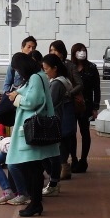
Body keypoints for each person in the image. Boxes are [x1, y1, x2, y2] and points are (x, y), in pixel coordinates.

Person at [6, 52, 59, 217]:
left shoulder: (35, 77)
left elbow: (32, 101)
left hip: (31, 129)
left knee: (31, 167)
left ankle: (35, 203)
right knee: (33, 167)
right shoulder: (38, 76)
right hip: (33, 128)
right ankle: (35, 202)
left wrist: (16, 97)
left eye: (17, 69)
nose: (17, 73)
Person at [41, 54, 76, 196]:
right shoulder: (63, 80)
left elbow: (49, 102)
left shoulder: (56, 83)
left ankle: (53, 181)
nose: (45, 72)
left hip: (52, 122)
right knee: (52, 152)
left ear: (55, 68)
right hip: (57, 120)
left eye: (46, 69)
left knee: (50, 153)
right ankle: (53, 180)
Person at [47, 40, 80, 178]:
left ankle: (66, 164)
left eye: (55, 50)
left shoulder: (69, 66)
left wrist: (68, 93)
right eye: (51, 50)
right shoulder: (49, 66)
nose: (53, 52)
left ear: (62, 51)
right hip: (59, 106)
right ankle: (62, 165)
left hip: (66, 105)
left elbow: (79, 84)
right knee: (60, 136)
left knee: (66, 135)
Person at [69, 42, 100, 172]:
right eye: (79, 50)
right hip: (71, 104)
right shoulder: (69, 67)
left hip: (86, 105)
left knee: (85, 132)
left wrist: (95, 107)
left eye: (84, 50)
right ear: (73, 53)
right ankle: (74, 159)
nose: (82, 53)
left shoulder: (91, 68)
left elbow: (96, 88)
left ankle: (83, 159)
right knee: (71, 133)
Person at [0, 137, 20, 205]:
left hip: (21, 143)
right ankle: (8, 191)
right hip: (12, 144)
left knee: (11, 165)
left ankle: (22, 193)